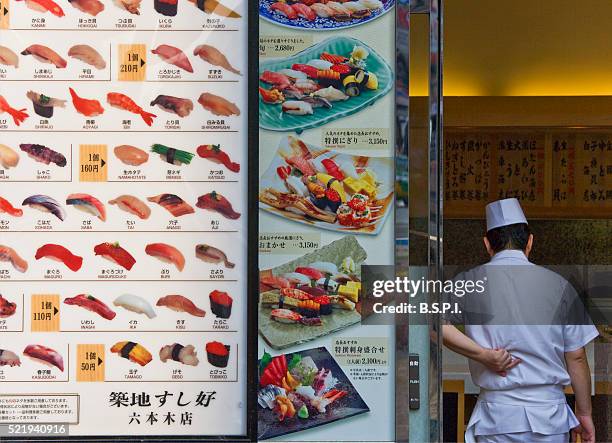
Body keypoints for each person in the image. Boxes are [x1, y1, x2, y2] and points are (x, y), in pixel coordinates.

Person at [442, 198, 599, 443]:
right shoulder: (559, 285)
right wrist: (585, 412)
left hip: (496, 418)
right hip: (549, 418)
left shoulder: (468, 281)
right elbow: (576, 356)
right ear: (530, 242)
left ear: (487, 244)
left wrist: (483, 355)